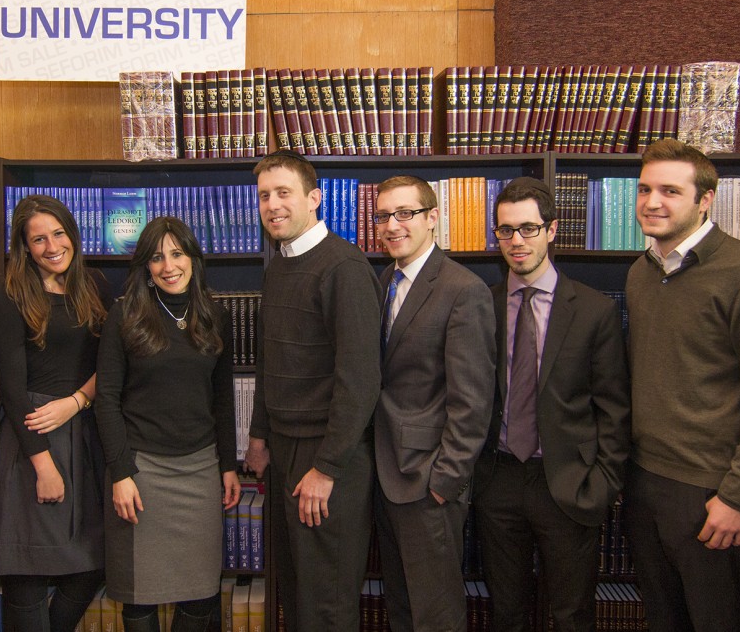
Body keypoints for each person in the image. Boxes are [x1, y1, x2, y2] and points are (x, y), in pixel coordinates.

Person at [624, 139, 740, 632]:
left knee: (717, 620)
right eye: (645, 189)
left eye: (671, 191)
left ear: (705, 200)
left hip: (712, 493)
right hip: (646, 481)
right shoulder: (642, 272)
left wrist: (739, 498)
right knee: (664, 619)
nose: (653, 202)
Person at [473, 176, 630, 632]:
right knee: (506, 612)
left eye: (528, 228)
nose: (517, 241)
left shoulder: (594, 310)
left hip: (567, 483)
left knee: (571, 614)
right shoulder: (482, 304)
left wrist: (601, 484)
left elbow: (615, 409)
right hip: (497, 479)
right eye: (506, 230)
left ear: (552, 230)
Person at [244, 149, 382, 631]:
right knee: (297, 592)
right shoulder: (279, 265)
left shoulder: (343, 268)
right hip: (283, 450)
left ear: (315, 198)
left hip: (327, 458)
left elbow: (360, 379)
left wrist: (326, 467)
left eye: (284, 193)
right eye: (264, 196)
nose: (273, 205)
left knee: (327, 601)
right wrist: (258, 437)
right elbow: (271, 360)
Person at [95, 216, 241, 632]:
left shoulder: (215, 314)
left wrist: (227, 466)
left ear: (193, 258)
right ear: (145, 266)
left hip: (199, 469)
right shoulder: (124, 315)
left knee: (199, 596)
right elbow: (106, 399)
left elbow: (222, 396)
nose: (168, 266)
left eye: (177, 254)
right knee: (139, 597)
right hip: (141, 473)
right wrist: (121, 473)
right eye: (157, 257)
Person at [372, 175, 496, 632]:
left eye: (404, 213)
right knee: (402, 608)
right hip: (386, 474)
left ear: (432, 218)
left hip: (428, 483)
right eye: (384, 215)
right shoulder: (387, 279)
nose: (392, 225)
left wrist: (445, 482)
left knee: (436, 616)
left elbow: (473, 401)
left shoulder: (463, 290)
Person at [0, 194, 113, 632]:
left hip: (85, 428)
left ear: (72, 234)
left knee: (92, 560)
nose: (51, 246)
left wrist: (76, 401)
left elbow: (112, 364)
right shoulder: (10, 296)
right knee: (26, 567)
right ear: (24, 247)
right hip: (33, 434)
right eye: (37, 239)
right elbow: (11, 388)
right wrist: (42, 465)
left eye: (58, 233)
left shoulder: (95, 284)